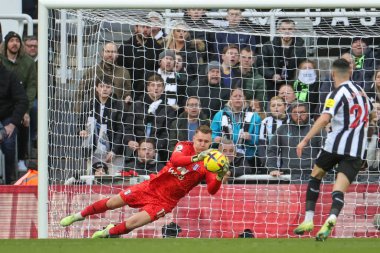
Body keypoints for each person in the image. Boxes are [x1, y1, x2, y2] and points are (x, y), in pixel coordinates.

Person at [59, 125, 229, 238]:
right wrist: (197, 156)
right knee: (113, 202)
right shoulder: (184, 146)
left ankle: (107, 233)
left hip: (165, 202)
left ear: (210, 142)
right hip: (151, 186)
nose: (202, 144)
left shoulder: (210, 164)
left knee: (132, 224)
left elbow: (212, 190)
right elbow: (176, 160)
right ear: (194, 138)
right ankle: (77, 216)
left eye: (206, 142)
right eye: (199, 140)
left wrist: (220, 176)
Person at [294, 59, 374, 241]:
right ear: (350, 72)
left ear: (333, 74)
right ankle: (331, 217)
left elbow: (324, 119)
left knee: (315, 176)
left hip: (334, 145)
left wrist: (304, 140)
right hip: (356, 150)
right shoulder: (362, 92)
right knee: (339, 190)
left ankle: (308, 219)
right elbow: (373, 114)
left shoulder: (336, 93)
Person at [0, 31, 37, 172]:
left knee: (30, 111)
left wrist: (25, 110)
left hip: (21, 101)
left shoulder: (28, 62)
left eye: (17, 40)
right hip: (7, 103)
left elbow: (31, 86)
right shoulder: (1, 60)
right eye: (11, 40)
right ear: (6, 44)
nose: (14, 43)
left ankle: (22, 157)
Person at [266, 102, 324, 183]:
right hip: (287, 175)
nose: (299, 115)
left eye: (302, 113)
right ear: (290, 114)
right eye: (295, 113)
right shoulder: (282, 129)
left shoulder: (317, 129)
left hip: (312, 175)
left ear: (307, 113)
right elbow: (272, 150)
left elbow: (325, 150)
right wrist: (273, 168)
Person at [79, 76, 124, 172]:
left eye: (108, 87)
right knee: (92, 180)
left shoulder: (118, 105)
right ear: (96, 88)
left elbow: (121, 130)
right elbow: (80, 123)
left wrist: (114, 150)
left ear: (111, 89)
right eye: (101, 86)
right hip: (93, 151)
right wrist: (81, 131)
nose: (104, 89)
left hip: (112, 152)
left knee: (114, 182)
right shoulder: (89, 104)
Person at [257, 19, 306, 101]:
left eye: (290, 29)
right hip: (272, 84)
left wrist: (293, 80)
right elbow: (261, 65)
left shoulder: (300, 49)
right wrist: (272, 75)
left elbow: (302, 67)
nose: (287, 31)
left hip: (292, 84)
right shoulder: (268, 46)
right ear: (278, 30)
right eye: (283, 29)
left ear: (294, 31)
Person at [211, 87, 261, 166]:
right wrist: (215, 139)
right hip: (223, 157)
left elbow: (259, 139)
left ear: (244, 98)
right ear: (230, 98)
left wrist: (251, 137)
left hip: (247, 158)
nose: (238, 98)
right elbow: (212, 135)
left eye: (240, 96)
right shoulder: (219, 115)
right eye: (235, 96)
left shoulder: (255, 117)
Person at [77, 41, 132, 113]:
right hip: (95, 113)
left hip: (116, 115)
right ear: (102, 53)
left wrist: (126, 103)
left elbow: (127, 94)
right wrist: (79, 112)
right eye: (107, 51)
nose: (110, 54)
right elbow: (79, 93)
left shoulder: (124, 72)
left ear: (117, 54)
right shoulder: (92, 71)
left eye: (113, 52)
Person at [0, 62, 29, 184]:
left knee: (8, 142)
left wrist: (12, 124)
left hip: (8, 118)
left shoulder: (10, 76)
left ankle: (7, 180)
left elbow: (22, 100)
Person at [117, 23, 162, 100]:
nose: (145, 29)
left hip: (150, 92)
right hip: (130, 92)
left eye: (147, 27)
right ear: (136, 28)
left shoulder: (156, 47)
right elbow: (120, 70)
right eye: (142, 27)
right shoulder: (125, 47)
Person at [257, 96, 288, 167]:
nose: (276, 108)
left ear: (285, 107)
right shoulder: (265, 122)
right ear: (270, 108)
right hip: (270, 161)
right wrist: (265, 160)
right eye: (273, 106)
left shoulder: (290, 121)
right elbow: (262, 144)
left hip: (288, 161)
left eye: (279, 105)